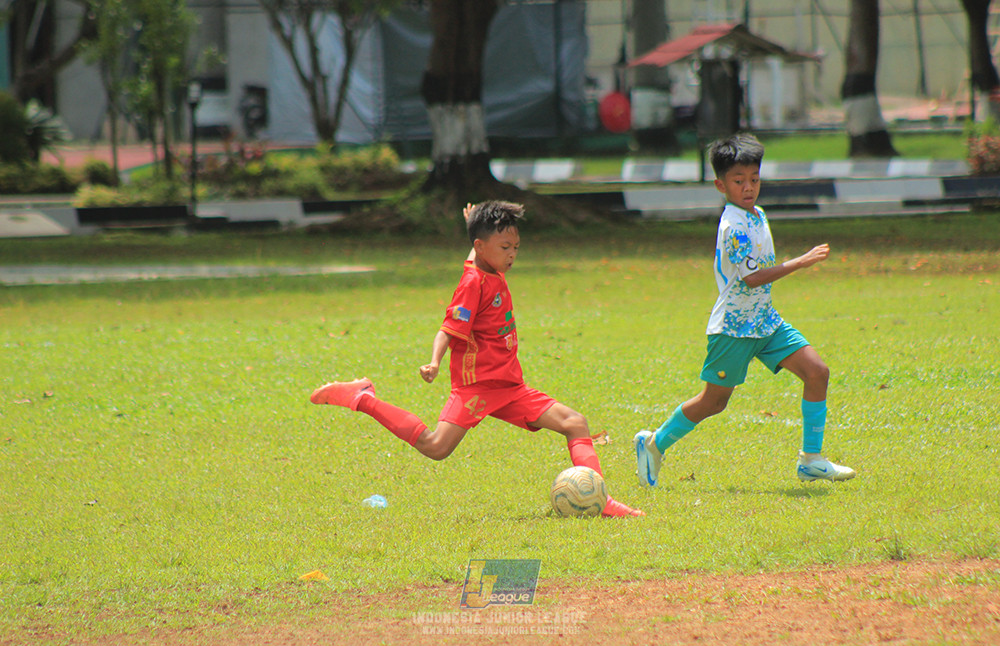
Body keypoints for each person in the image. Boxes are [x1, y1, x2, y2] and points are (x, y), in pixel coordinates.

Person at [312, 200, 644, 517]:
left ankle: (600, 500)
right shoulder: (472, 283)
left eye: (516, 247)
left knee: (575, 423)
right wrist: (435, 362)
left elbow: (477, 249)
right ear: (482, 246)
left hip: (510, 386)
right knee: (436, 447)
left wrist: (474, 223)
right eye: (505, 247)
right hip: (477, 387)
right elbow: (447, 329)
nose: (512, 254)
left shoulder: (485, 263)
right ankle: (363, 398)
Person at [634, 134, 856, 487]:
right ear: (720, 185)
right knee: (714, 402)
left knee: (817, 372)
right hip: (734, 328)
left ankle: (811, 460)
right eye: (739, 181)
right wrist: (799, 262)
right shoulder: (732, 226)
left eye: (754, 179)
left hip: (765, 322)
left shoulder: (758, 214)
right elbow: (752, 278)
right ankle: (653, 443)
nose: (748, 187)